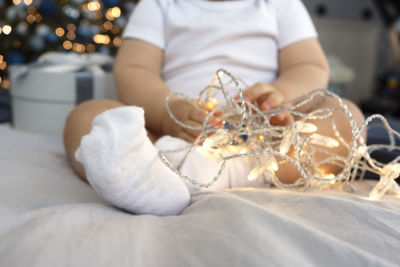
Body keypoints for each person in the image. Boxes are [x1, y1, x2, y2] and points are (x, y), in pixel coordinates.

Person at [63, 0, 365, 215]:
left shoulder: (280, 5)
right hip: (176, 134)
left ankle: (228, 173)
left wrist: (280, 95)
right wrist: (170, 112)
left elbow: (310, 65)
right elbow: (134, 70)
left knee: (347, 117)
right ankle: (145, 175)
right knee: (89, 116)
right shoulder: (159, 5)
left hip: (267, 142)